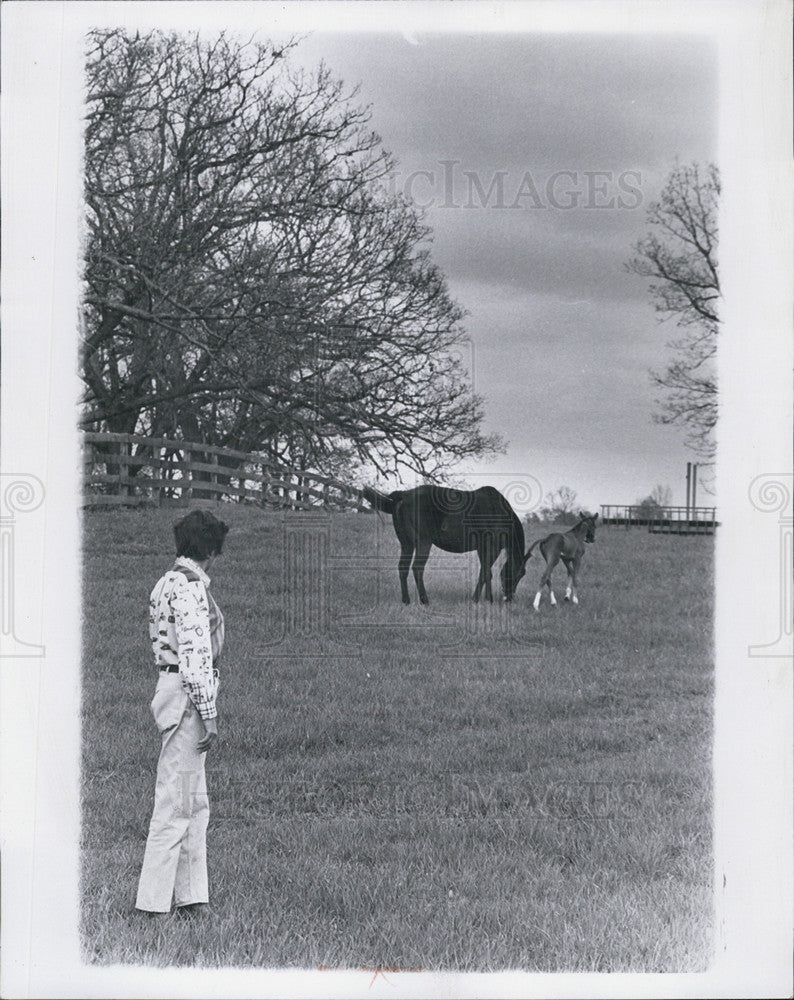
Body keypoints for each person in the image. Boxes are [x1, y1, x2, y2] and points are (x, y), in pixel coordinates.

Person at [135, 508, 229, 916]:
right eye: (216, 550)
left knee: (193, 801)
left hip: (171, 688)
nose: (217, 559)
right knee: (176, 803)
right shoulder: (190, 589)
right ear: (208, 549)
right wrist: (208, 711)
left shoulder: (165, 582)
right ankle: (151, 907)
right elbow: (195, 656)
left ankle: (192, 899)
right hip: (188, 697)